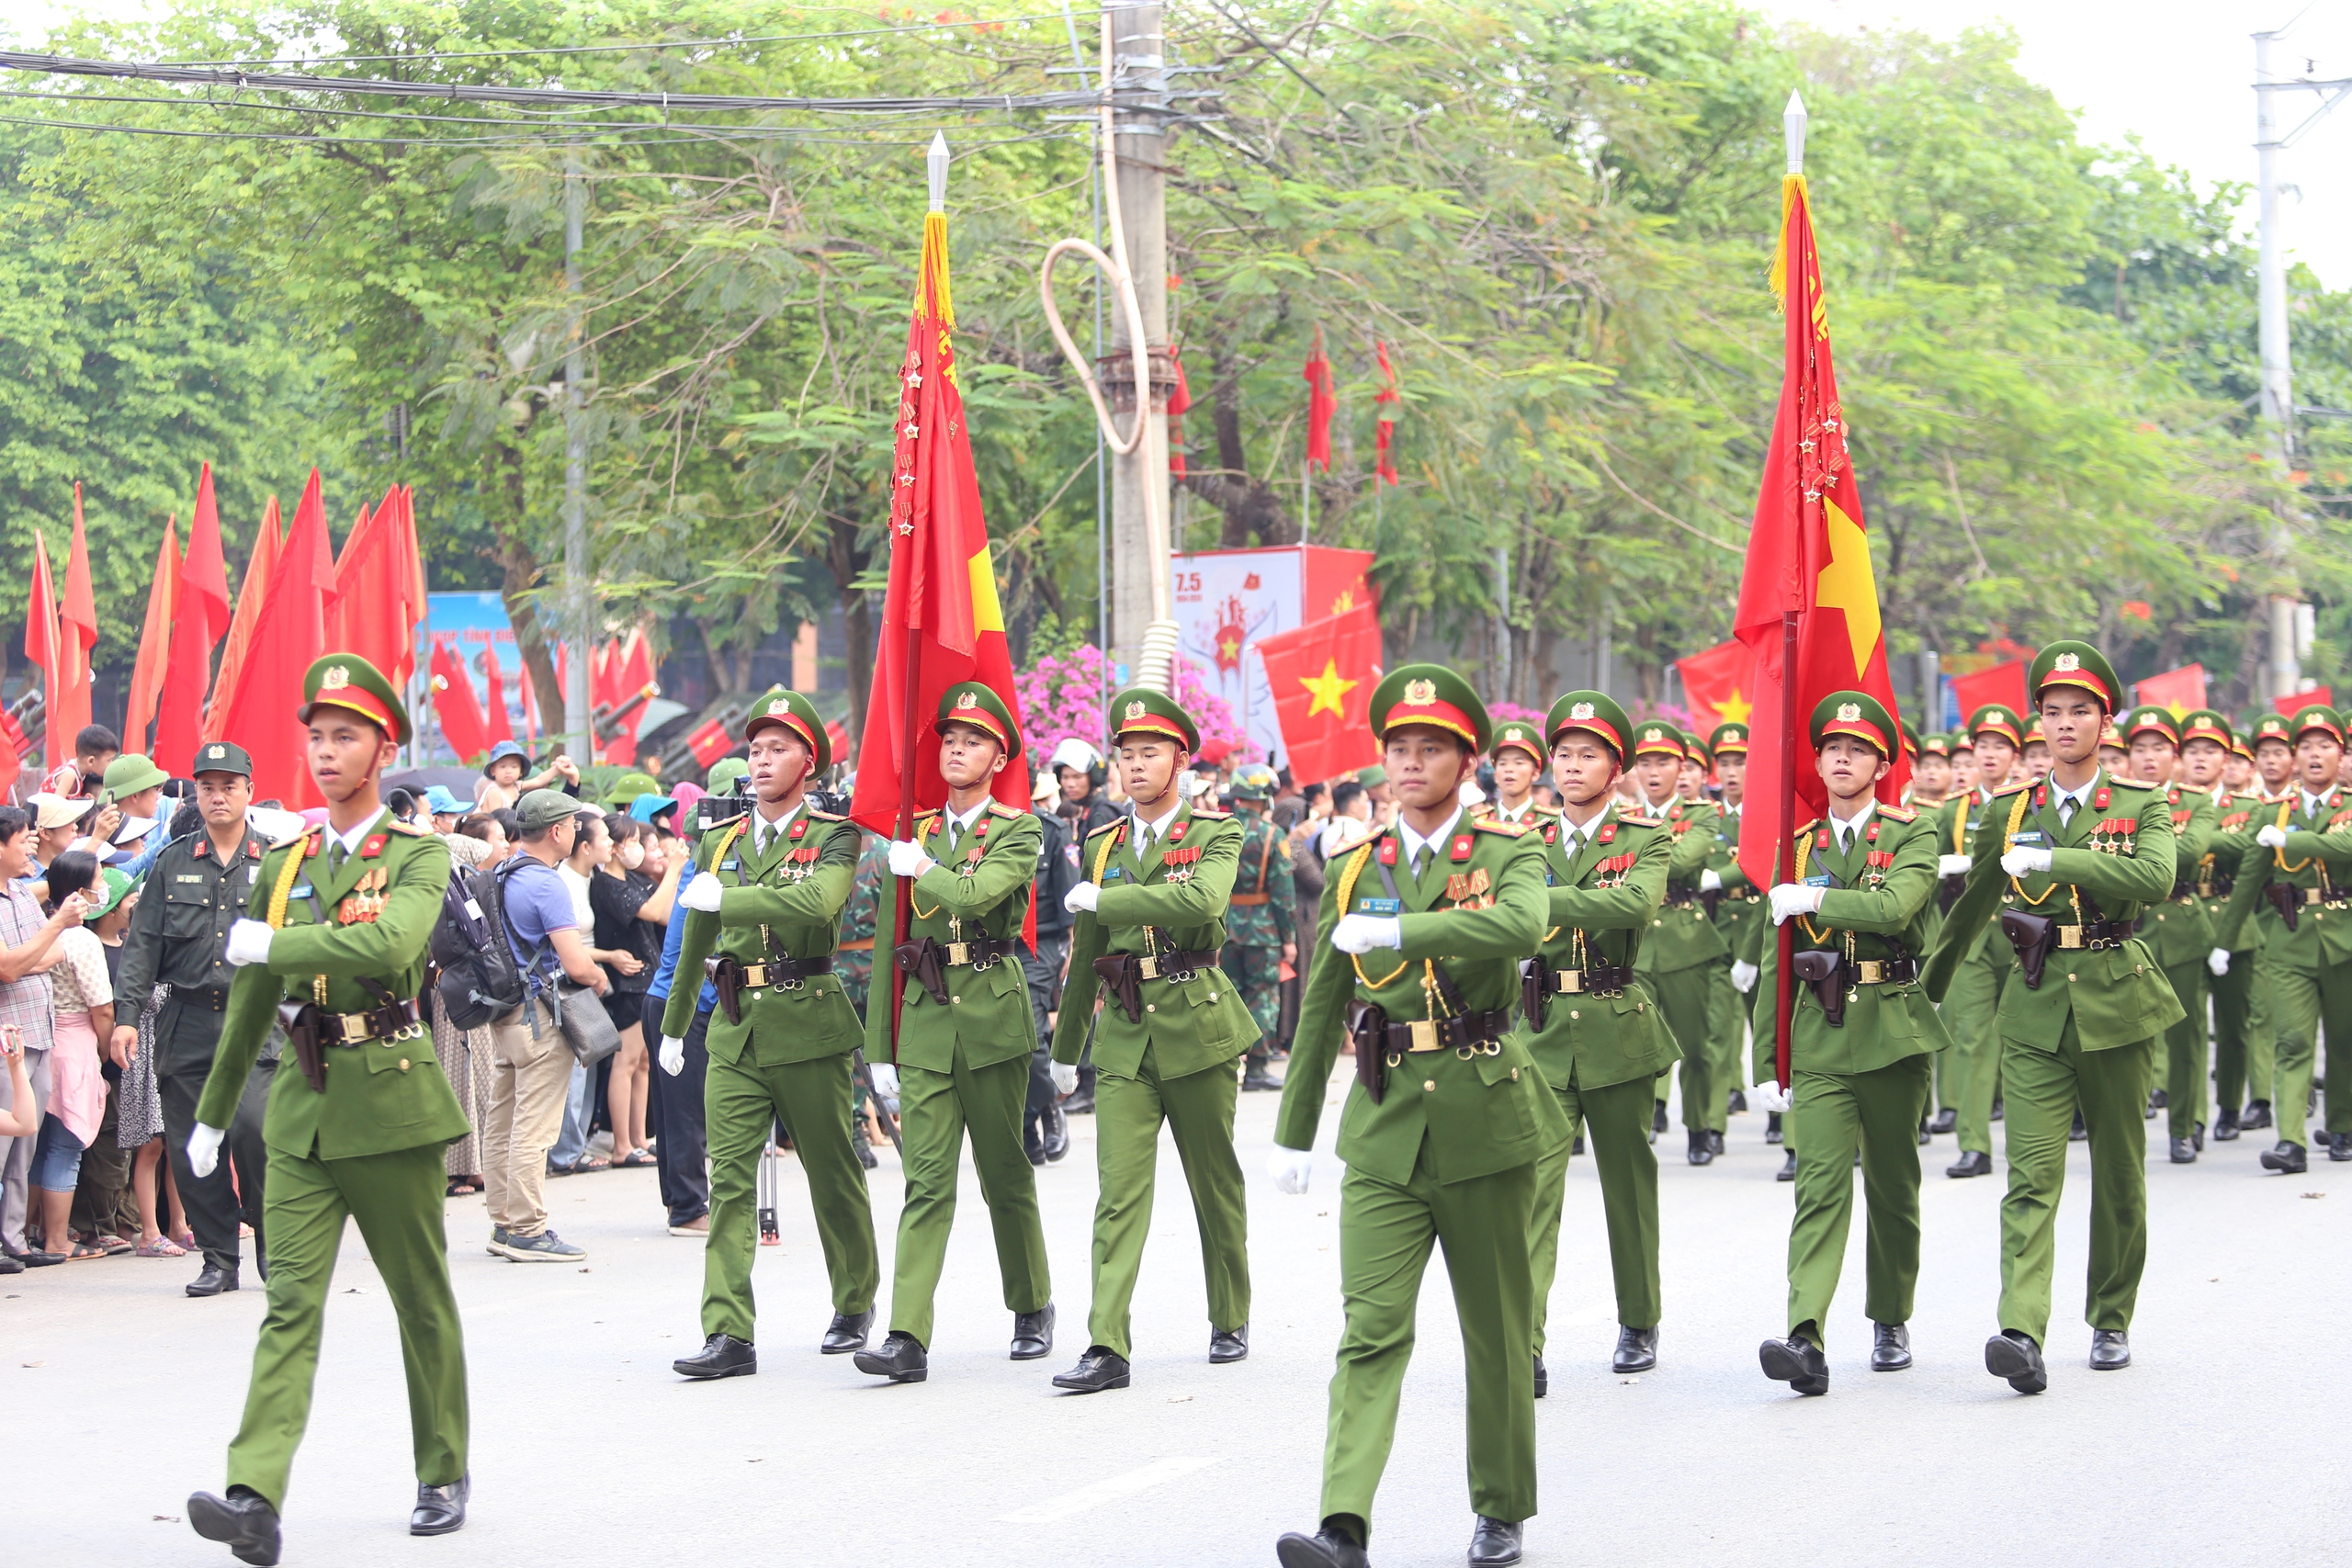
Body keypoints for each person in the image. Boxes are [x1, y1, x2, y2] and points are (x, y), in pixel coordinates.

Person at [1268, 663, 1562, 1568]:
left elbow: (1519, 928)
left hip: (1484, 1115)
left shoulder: (1507, 849)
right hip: (1386, 1125)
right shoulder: (1360, 865)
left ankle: (1502, 1506)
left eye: (1428, 747)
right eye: (1396, 748)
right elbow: (1322, 1004)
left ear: (1465, 760)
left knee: (1497, 1332)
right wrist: (1293, 1133)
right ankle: (1343, 1523)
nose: (1408, 762)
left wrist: (1408, 932)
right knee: (1369, 1329)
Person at [183, 654, 473, 1562]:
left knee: (419, 1297)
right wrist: (211, 1111)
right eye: (315, 737)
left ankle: (441, 1467)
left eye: (345, 736)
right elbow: (252, 996)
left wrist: (279, 938)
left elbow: (391, 939)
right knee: (288, 1305)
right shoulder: (291, 859)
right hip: (302, 1110)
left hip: (389, 1103)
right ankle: (254, 1495)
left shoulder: (420, 854)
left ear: (383, 749)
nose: (326, 752)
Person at [1926, 640, 2178, 1393]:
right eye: (2053, 711)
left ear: (2107, 720)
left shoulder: (2140, 803)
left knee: (2120, 1175)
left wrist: (2057, 861)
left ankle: (2109, 1315)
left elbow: (2155, 877)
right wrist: (1927, 985)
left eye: (2081, 711)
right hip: (2033, 1007)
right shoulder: (2008, 812)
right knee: (2031, 1175)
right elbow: (1972, 902)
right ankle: (2021, 1329)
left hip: (2116, 1001)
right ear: (2039, 721)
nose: (2065, 723)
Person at [658, 688, 879, 1381]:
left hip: (807, 1019)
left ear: (808, 761)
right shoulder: (716, 840)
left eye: (778, 747)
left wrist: (734, 897)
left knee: (832, 1170)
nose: (760, 758)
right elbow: (697, 933)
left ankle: (854, 1299)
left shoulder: (833, 836)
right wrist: (673, 1025)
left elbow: (816, 902)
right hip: (734, 1026)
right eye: (754, 748)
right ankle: (728, 1330)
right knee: (728, 1180)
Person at [1048, 687, 1259, 1393]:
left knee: (1213, 1181)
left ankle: (1230, 1314)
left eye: (1150, 752)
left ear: (1180, 758)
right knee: (1118, 1193)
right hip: (1125, 1033)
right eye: (1126, 754)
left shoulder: (1216, 833)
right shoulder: (1101, 843)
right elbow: (1087, 952)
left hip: (1197, 1023)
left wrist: (1108, 898)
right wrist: (1065, 1048)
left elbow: (1201, 901)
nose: (1135, 766)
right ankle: (1107, 1342)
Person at [855, 685, 1055, 1385]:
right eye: (949, 739)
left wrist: (926, 869)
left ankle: (1031, 1304)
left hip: (993, 1016)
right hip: (928, 1018)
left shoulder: (1018, 829)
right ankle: (906, 1333)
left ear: (1000, 756)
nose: (957, 748)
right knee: (926, 1182)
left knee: (1005, 1174)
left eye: (973, 740)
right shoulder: (916, 834)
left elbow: (977, 896)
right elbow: (889, 943)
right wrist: (881, 1044)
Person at [1750, 693, 1947, 1395]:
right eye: (1831, 747)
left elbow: (1896, 909)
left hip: (1893, 1027)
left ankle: (1890, 1316)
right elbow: (1771, 962)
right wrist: (1765, 1059)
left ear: (1882, 764)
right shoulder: (1796, 843)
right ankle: (1804, 1333)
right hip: (1821, 1033)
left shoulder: (1913, 832)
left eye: (1857, 749)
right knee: (1819, 1185)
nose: (1841, 757)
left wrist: (1817, 901)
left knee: (1893, 1185)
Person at [1521, 691, 1674, 1387]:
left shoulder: (1646, 838)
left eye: (1589, 754)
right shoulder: (1527, 841)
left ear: (1616, 768)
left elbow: (1632, 904)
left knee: (1627, 1185)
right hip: (1543, 1028)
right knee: (1531, 1190)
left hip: (1616, 1023)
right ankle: (1524, 1340)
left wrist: (1531, 901)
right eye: (1564, 753)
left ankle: (1639, 1318)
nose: (1573, 765)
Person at [111, 741, 277, 1295]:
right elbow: (141, 947)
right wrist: (126, 1016)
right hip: (186, 1022)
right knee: (193, 1147)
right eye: (206, 786)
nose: (217, 795)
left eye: (228, 785)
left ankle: (270, 1235)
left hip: (255, 1025)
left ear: (248, 790)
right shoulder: (172, 860)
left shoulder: (278, 861)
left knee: (255, 1130)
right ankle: (218, 1257)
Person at [2214, 703, 2352, 1171]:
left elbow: (2345, 845)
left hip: (2344, 940)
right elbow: (2249, 880)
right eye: (2306, 747)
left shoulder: (2348, 807)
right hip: (2288, 939)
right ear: (2295, 757)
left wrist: (2287, 841)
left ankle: (2342, 1126)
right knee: (2292, 1041)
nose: (2315, 755)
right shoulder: (2273, 811)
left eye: (2325, 746)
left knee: (2344, 1039)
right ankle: (2291, 1141)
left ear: (2340, 754)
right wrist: (2223, 940)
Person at [481, 790, 610, 1259]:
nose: (578, 832)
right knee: (534, 1128)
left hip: (505, 1012)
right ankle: (529, 1230)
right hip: (541, 1014)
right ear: (556, 831)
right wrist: (597, 977)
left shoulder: (500, 872)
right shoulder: (547, 884)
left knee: (503, 1120)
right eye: (575, 825)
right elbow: (576, 963)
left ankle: (502, 1223)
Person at [2117, 706, 2218, 1162]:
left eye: (2159, 748)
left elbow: (2192, 851)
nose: (2150, 757)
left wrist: (2129, 858)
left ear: (2174, 758)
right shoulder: (2113, 800)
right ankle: (2127, 1133)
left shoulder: (2197, 801)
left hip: (2179, 926)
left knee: (2187, 1034)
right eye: (2140, 749)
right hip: (2126, 930)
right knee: (2129, 1039)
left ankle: (2185, 1124)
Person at [1933, 704, 2025, 1179]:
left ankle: (2028, 1143)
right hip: (1970, 933)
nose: (1990, 755)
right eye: (1982, 746)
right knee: (1971, 1038)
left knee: (2024, 1038)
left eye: (2000, 746)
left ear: (2016, 754)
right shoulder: (1955, 809)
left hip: (2021, 933)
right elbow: (1924, 868)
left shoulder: (2033, 802)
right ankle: (1974, 1144)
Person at [1627, 723, 1724, 1164]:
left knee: (1697, 1045)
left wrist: (1635, 860)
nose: (1653, 771)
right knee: (1637, 1045)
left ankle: (1700, 1127)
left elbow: (1687, 858)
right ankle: (1640, 1123)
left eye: (1662, 762)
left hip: (1686, 941)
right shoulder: (1620, 815)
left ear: (1681, 767)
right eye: (1644, 763)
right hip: (1637, 943)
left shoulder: (1702, 813)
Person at [0, 806, 89, 1264]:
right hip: (6, 1041)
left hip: (38, 1032)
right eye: (22, 841)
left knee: (25, 1143)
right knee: (2, 1140)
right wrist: (42, 938)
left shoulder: (19, 893)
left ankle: (12, 1239)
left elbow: (48, 957)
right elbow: (9, 968)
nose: (30, 849)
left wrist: (20, 961)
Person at [24, 850, 114, 1263]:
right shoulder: (81, 938)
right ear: (80, 891)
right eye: (100, 879)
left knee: (39, 1147)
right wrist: (104, 1049)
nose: (104, 887)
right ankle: (57, 1239)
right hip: (75, 1042)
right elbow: (102, 1008)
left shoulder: (41, 929)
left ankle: (27, 1231)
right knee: (65, 1147)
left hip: (41, 1039)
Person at [2188, 712, 2268, 1142]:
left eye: (2211, 752)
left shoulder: (2248, 807)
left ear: (2226, 759)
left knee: (2235, 1026)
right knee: (2192, 1029)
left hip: (2231, 922)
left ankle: (2230, 1106)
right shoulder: (2167, 803)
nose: (2201, 759)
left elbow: (2245, 844)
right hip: (2184, 918)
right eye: (2193, 751)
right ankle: (2195, 1117)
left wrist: (2191, 836)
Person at [593, 816, 678, 1169]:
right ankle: (621, 1145)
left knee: (643, 1063)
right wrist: (674, 869)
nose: (637, 848)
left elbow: (667, 915)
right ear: (613, 846)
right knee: (625, 1062)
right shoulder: (607, 885)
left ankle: (640, 1138)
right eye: (631, 840)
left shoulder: (629, 879)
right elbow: (655, 911)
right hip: (627, 983)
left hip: (646, 976)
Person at [1223, 762, 1296, 1092]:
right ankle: (1256, 1068)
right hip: (1261, 929)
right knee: (1262, 997)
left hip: (1223, 928)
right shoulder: (1272, 835)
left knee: (1227, 997)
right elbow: (1283, 894)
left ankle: (1225, 1065)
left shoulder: (1219, 829)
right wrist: (1289, 938)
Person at [1022, 764, 1079, 1164]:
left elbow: (1070, 898)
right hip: (987, 948)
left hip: (1039, 947)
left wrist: (1071, 951)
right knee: (1008, 1044)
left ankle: (1047, 1108)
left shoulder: (1051, 830)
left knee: (1032, 1036)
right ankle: (1027, 1124)